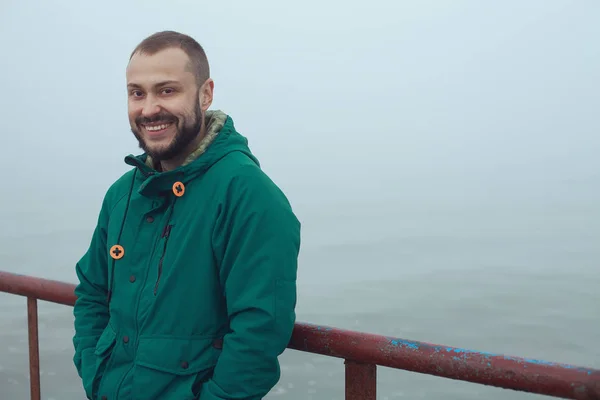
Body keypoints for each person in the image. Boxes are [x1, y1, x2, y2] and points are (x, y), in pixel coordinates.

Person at [71, 30, 301, 400]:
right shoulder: (121, 194)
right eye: (137, 93)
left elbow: (259, 331)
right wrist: (93, 371)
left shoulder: (248, 194)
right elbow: (93, 292)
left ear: (205, 93)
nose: (148, 109)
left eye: (167, 90)